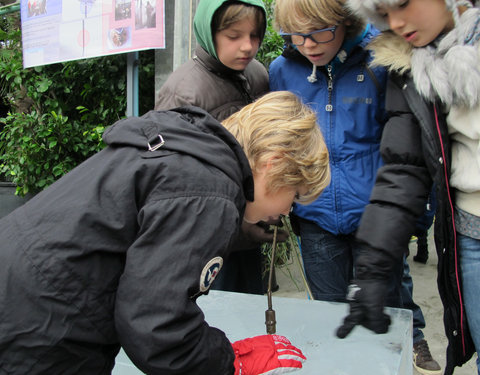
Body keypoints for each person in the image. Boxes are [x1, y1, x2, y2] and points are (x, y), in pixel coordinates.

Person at [0, 91, 330, 375]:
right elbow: (157, 325)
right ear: (273, 162)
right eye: (296, 194)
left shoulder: (184, 153)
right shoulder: (210, 193)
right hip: (43, 326)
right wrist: (228, 364)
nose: (288, 211)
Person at [269, 2, 441, 372]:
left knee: (386, 307)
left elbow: (406, 145)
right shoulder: (282, 70)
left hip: (375, 217)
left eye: (320, 32)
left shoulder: (382, 58)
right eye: (297, 35)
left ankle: (408, 345)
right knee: (330, 315)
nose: (309, 44)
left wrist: (413, 218)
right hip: (316, 218)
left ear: (346, 21)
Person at [338, 1, 480, 374]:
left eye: (402, 3)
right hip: (471, 237)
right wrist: (369, 274)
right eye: (384, 15)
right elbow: (402, 169)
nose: (397, 23)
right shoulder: (406, 66)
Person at [155, 0, 281, 295]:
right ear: (208, 32)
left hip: (250, 228)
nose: (247, 47)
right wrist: (234, 227)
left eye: (254, 35)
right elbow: (171, 181)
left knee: (249, 313)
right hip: (206, 239)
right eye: (233, 36)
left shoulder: (257, 74)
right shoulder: (184, 91)